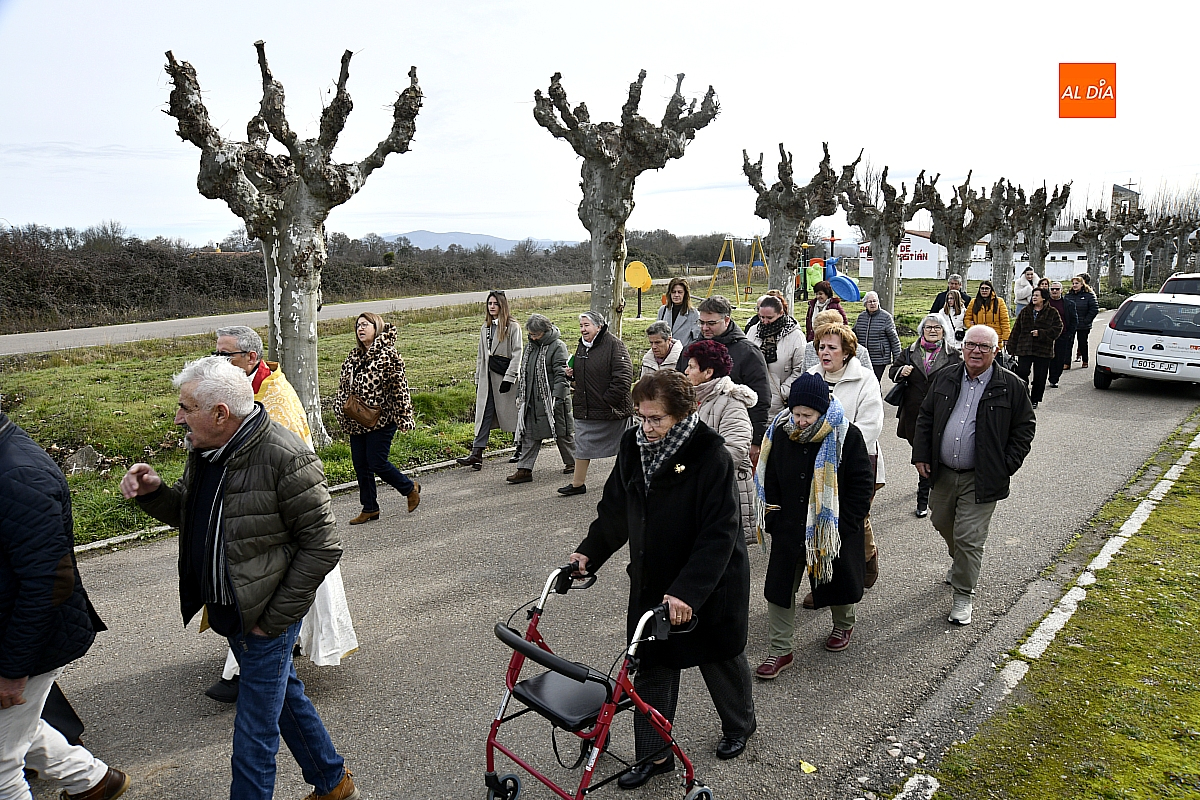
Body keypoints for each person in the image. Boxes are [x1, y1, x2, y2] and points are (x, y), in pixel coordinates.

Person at [120, 356, 359, 800]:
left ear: (220, 413)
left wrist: (272, 621)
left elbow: (323, 546)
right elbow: (195, 515)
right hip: (230, 610)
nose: (178, 418)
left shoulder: (285, 456)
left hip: (265, 617)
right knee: (284, 698)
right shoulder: (206, 450)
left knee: (254, 734)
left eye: (185, 408)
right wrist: (155, 493)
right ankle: (333, 782)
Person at [568, 370, 756, 789]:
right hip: (653, 577)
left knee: (718, 657)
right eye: (641, 417)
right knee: (652, 663)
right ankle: (653, 755)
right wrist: (589, 553)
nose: (647, 427)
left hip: (708, 580)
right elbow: (616, 508)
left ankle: (739, 725)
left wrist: (688, 591)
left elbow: (719, 533)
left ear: (683, 414)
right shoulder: (633, 446)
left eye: (656, 419)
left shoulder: (711, 455)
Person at [206, 327, 358, 705]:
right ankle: (272, 656)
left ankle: (243, 672)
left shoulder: (276, 399)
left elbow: (285, 464)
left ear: (251, 358)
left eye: (225, 355)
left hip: (274, 514)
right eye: (216, 354)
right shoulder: (241, 389)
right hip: (246, 508)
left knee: (264, 588)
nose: (218, 361)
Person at [1, 412, 131, 800]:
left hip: (25, 645)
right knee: (16, 727)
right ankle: (92, 781)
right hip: (13, 637)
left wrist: (12, 670)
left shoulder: (20, 475)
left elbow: (48, 583)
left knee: (2, 766)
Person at [912, 325, 1036, 626]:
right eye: (971, 345)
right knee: (941, 522)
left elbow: (1024, 428)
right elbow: (926, 416)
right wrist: (921, 455)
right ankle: (962, 564)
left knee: (969, 537)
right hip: (943, 472)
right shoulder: (946, 376)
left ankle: (963, 594)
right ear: (962, 347)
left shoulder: (1011, 385)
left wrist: (1005, 465)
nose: (976, 351)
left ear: (995, 351)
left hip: (981, 478)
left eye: (984, 347)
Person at [753, 373, 875, 677]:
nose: (800, 421)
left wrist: (844, 524)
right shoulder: (780, 432)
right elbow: (771, 478)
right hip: (788, 527)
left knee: (836, 580)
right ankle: (780, 650)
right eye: (796, 414)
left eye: (807, 415)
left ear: (822, 410)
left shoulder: (847, 434)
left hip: (831, 528)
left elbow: (861, 484)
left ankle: (843, 624)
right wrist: (774, 517)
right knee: (779, 588)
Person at [806, 322, 885, 599]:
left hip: (856, 462)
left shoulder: (865, 379)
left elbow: (871, 425)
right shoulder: (811, 377)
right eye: (821, 347)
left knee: (853, 520)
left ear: (847, 352)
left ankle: (865, 559)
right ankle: (822, 582)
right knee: (820, 518)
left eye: (832, 347)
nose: (824, 353)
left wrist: (837, 449)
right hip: (816, 463)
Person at [334, 312, 420, 523]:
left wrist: (403, 417)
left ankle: (409, 488)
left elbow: (400, 389)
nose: (361, 329)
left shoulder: (388, 355)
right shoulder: (353, 356)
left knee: (377, 462)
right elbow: (343, 387)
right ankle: (370, 508)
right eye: (358, 325)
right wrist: (340, 408)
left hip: (382, 419)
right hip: (356, 420)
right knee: (360, 465)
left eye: (365, 325)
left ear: (377, 327)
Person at [683, 340, 759, 543]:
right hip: (700, 491)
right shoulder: (692, 399)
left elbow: (735, 449)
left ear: (708, 372)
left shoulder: (731, 403)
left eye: (691, 367)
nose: (686, 372)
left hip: (724, 492)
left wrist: (696, 468)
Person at [681, 296, 771, 465]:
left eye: (711, 323)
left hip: (734, 433)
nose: (705, 328)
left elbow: (761, 398)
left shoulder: (748, 352)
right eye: (701, 322)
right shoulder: (690, 349)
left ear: (726, 320)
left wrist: (756, 439)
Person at [889, 316, 962, 517]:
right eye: (928, 327)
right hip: (913, 414)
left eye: (937, 327)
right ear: (922, 330)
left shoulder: (953, 355)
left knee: (927, 453)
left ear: (943, 331)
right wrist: (901, 371)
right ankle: (927, 482)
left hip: (941, 413)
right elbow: (892, 372)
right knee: (921, 450)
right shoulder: (909, 352)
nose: (932, 330)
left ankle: (923, 499)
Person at [560, 311, 634, 496]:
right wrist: (571, 376)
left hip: (612, 410)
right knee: (582, 445)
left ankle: (629, 480)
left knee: (623, 447)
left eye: (587, 325)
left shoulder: (614, 345)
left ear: (599, 326)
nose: (583, 329)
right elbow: (583, 376)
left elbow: (624, 378)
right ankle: (577, 484)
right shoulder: (582, 346)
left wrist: (607, 400)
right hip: (586, 408)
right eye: (581, 326)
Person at [457, 291, 522, 470]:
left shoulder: (512, 327)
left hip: (505, 379)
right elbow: (481, 357)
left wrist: (510, 378)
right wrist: (478, 379)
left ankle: (521, 446)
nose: (492, 307)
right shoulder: (485, 328)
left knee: (512, 414)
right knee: (484, 414)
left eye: (495, 304)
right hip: (488, 379)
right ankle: (476, 453)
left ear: (502, 306)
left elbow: (517, 353)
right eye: (489, 303)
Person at [507, 314, 574, 484]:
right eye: (530, 334)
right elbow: (524, 374)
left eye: (536, 334)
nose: (532, 337)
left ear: (546, 331)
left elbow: (561, 374)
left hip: (552, 400)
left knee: (562, 434)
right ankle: (524, 470)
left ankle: (573, 462)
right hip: (531, 401)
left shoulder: (558, 346)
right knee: (529, 435)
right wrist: (520, 395)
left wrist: (557, 397)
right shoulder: (530, 347)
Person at [744, 294, 807, 417]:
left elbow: (800, 370)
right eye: (761, 317)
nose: (764, 321)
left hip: (780, 406)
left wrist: (782, 393)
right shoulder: (753, 330)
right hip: (751, 400)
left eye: (769, 318)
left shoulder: (796, 336)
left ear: (781, 313)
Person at [1006, 287, 1062, 409]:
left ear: (1044, 298)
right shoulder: (1025, 311)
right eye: (1033, 295)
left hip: (1043, 350)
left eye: (1037, 295)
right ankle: (1023, 396)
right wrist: (1011, 346)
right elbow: (1016, 329)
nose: (1034, 297)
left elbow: (1058, 329)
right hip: (1025, 348)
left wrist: (1041, 333)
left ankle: (1035, 399)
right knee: (1021, 372)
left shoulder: (1052, 312)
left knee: (1040, 377)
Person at [852, 291, 902, 381]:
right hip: (863, 357)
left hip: (879, 359)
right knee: (864, 381)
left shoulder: (886, 317)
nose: (872, 304)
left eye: (874, 301)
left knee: (874, 381)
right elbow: (853, 334)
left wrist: (897, 361)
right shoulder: (861, 317)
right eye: (870, 302)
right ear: (865, 304)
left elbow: (894, 340)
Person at [802, 310, 873, 373]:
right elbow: (803, 375)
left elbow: (868, 378)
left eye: (832, 347)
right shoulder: (809, 348)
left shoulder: (859, 351)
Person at [1046, 281, 1079, 388]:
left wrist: (1069, 334)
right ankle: (1041, 379)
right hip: (1046, 336)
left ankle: (1054, 379)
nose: (1054, 291)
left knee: (1059, 359)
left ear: (1061, 290)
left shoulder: (1069, 304)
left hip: (1062, 336)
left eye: (1057, 289)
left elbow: (1074, 320)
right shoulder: (1044, 303)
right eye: (1052, 289)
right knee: (1045, 359)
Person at [655, 277, 701, 350]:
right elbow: (656, 334)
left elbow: (697, 338)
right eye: (673, 292)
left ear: (685, 294)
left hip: (683, 353)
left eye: (680, 292)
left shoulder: (693, 313)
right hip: (664, 352)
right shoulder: (663, 310)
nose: (676, 295)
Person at [963, 280, 1011, 346]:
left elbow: (1005, 321)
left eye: (987, 288)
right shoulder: (973, 302)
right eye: (982, 288)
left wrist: (1006, 337)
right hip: (978, 336)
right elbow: (967, 318)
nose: (984, 290)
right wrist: (972, 327)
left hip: (995, 336)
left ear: (991, 290)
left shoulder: (999, 302)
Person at [1068, 274, 1100, 368]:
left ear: (1082, 284)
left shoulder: (1089, 295)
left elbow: (1094, 309)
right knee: (1068, 343)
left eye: (1076, 283)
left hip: (1083, 324)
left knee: (1082, 343)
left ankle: (1085, 361)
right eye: (1073, 283)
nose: (1074, 285)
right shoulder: (1069, 295)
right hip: (1071, 324)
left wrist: (1086, 320)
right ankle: (1066, 362)